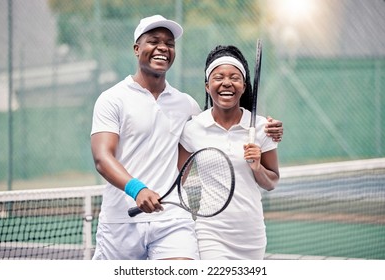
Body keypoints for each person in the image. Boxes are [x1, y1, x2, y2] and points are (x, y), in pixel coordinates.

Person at [90, 15, 283, 260]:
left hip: (172, 222)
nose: (163, 48)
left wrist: (271, 131)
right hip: (121, 220)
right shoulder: (112, 99)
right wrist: (137, 190)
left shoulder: (186, 106)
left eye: (169, 44)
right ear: (137, 49)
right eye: (154, 41)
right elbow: (102, 158)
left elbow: (218, 127)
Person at [179, 45, 280, 260]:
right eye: (219, 77)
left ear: (243, 86)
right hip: (210, 233)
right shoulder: (192, 129)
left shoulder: (262, 128)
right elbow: (179, 178)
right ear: (207, 86)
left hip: (251, 235)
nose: (227, 83)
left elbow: (271, 182)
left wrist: (257, 167)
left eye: (234, 77)